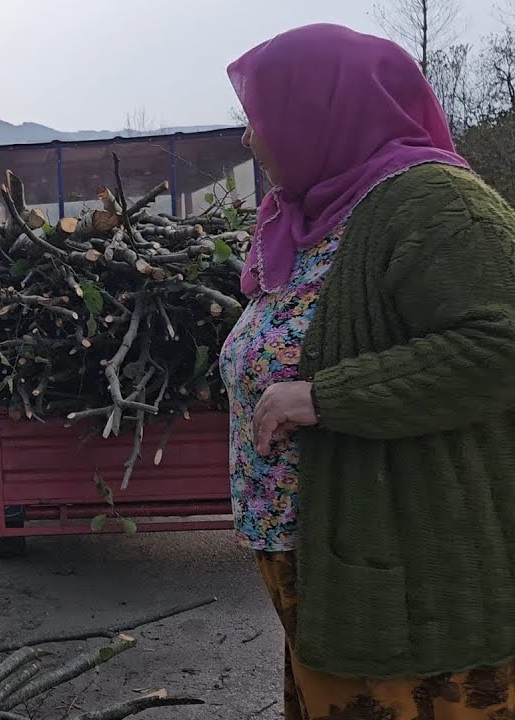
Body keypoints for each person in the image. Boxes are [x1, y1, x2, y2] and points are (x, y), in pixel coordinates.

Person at [218, 23, 515, 720]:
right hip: (323, 551)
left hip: (409, 561)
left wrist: (323, 398)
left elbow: (500, 344)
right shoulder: (318, 213)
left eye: (260, 115)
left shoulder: (436, 201)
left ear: (319, 109)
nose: (249, 137)